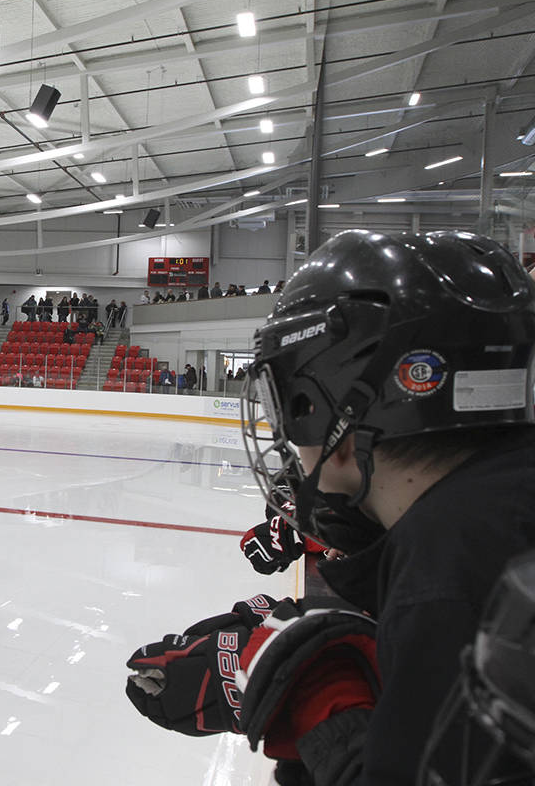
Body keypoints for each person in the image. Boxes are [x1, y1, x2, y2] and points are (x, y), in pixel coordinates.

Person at [124, 230, 535, 785]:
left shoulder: (447, 580)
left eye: (290, 405)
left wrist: (316, 699)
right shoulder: (493, 516)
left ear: (339, 420)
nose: (290, 439)